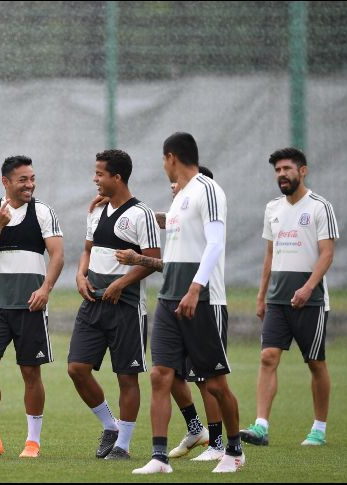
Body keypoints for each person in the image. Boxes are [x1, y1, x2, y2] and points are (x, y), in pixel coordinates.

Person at [132, 132, 243, 474]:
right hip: (169, 298)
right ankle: (159, 458)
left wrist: (195, 288)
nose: (163, 166)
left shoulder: (208, 188)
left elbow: (215, 244)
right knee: (161, 375)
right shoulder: (181, 197)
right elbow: (174, 229)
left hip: (203, 299)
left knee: (213, 383)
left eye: (163, 160)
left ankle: (234, 452)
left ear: (171, 158)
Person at [115, 165, 226, 462]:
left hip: (204, 301)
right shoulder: (180, 217)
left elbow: (173, 263)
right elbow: (162, 222)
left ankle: (220, 444)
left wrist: (137, 258)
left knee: (207, 379)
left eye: (180, 183)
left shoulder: (205, 216)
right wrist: (119, 205)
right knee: (166, 373)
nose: (174, 187)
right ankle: (194, 429)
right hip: (174, 302)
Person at [239, 147, 339, 447]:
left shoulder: (320, 207)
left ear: (302, 170)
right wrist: (261, 295)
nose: (282, 174)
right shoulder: (273, 209)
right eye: (278, 170)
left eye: (287, 169)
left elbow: (327, 254)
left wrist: (308, 287)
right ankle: (260, 426)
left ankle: (318, 429)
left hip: (311, 300)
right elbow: (270, 255)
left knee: (315, 363)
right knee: (268, 357)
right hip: (277, 300)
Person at [0, 155, 64, 459]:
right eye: (23, 179)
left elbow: (58, 255)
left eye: (32, 178)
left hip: (30, 306)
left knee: (30, 371)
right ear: (6, 182)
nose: (30, 185)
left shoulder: (43, 212)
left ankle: (32, 441)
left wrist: (45, 289)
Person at [68, 149, 161, 461]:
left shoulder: (141, 214)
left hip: (127, 308)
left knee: (126, 377)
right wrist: (80, 275)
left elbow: (154, 259)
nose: (95, 179)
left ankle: (122, 446)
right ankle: (110, 425)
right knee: (77, 368)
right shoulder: (96, 212)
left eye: (100, 174)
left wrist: (122, 283)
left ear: (117, 177)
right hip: (93, 302)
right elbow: (86, 250)